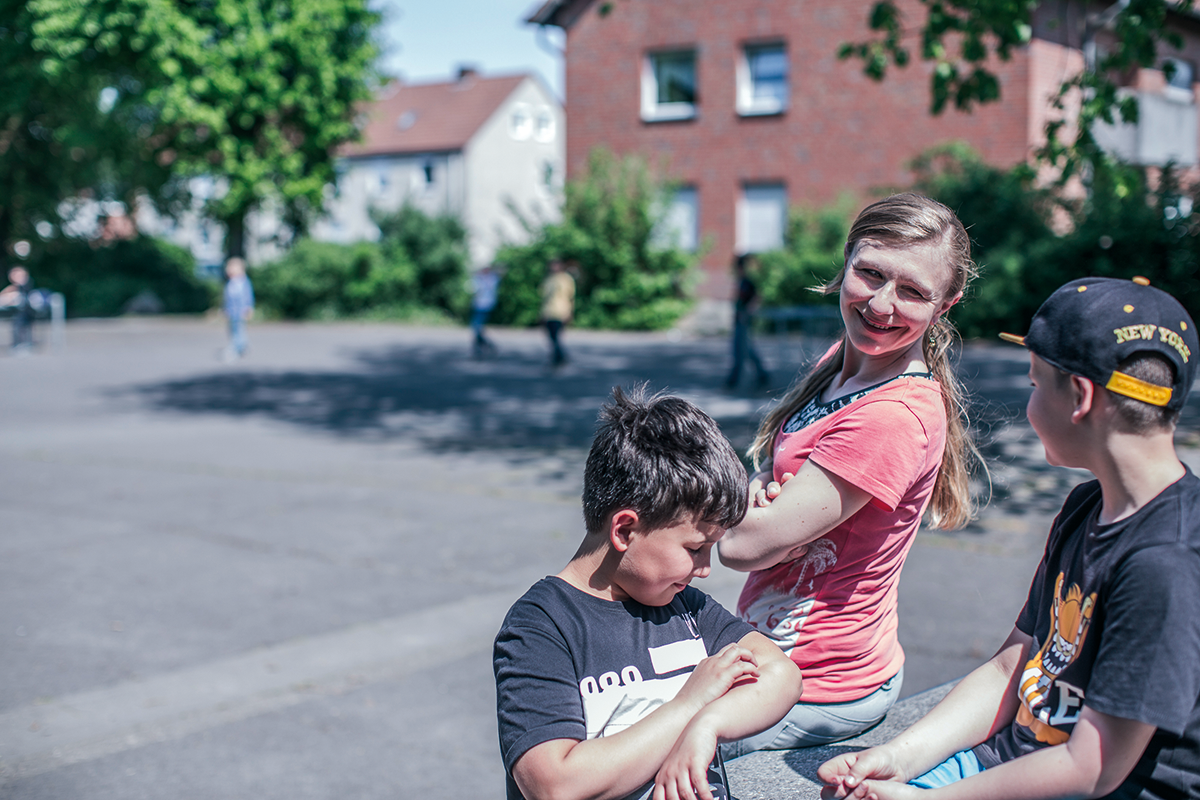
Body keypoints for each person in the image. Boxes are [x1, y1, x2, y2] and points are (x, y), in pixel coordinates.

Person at [819, 276, 1200, 800]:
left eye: (1035, 384)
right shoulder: (1087, 505)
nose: (1029, 402)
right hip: (1005, 762)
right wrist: (897, 758)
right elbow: (1013, 663)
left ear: (1081, 398)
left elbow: (1095, 767)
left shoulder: (1166, 563)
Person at [717, 193, 980, 756]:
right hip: (773, 652)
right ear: (846, 263)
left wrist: (759, 515)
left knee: (635, 770)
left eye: (912, 291)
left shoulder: (890, 417)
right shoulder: (841, 360)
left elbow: (740, 546)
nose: (882, 304)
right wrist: (759, 494)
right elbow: (766, 474)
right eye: (870, 274)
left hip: (821, 685)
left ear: (946, 305)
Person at [494, 386, 804, 800]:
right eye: (695, 548)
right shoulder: (542, 627)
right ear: (624, 529)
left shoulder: (686, 608)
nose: (706, 570)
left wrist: (706, 725)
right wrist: (687, 706)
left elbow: (782, 675)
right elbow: (554, 785)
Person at [724, 253, 770, 389]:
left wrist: (748, 312)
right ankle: (762, 375)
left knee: (740, 349)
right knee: (747, 349)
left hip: (744, 320)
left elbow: (756, 298)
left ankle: (733, 380)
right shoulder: (740, 282)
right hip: (738, 320)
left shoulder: (747, 283)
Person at [540, 258, 574, 367]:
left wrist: (569, 312)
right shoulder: (549, 279)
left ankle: (559, 357)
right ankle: (559, 355)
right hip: (548, 310)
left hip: (560, 310)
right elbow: (544, 296)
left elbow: (570, 297)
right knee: (551, 336)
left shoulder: (565, 279)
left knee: (556, 335)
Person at [222, 257, 254, 362]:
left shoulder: (244, 282)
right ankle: (241, 346)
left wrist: (249, 308)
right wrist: (225, 309)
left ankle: (234, 350)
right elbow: (227, 299)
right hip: (232, 312)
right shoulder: (230, 283)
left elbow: (248, 297)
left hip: (241, 312)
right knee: (233, 331)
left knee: (239, 331)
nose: (229, 270)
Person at [1, 266, 35, 353]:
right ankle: (19, 344)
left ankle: (23, 344)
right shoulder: (16, 287)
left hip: (26, 312)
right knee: (17, 326)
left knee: (21, 326)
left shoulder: (26, 285)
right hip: (19, 312)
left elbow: (24, 297)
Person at [471, 263, 501, 357]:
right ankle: (480, 348)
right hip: (478, 305)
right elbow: (474, 289)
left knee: (477, 327)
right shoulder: (478, 278)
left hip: (487, 305)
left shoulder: (492, 278)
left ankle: (482, 347)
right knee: (476, 327)